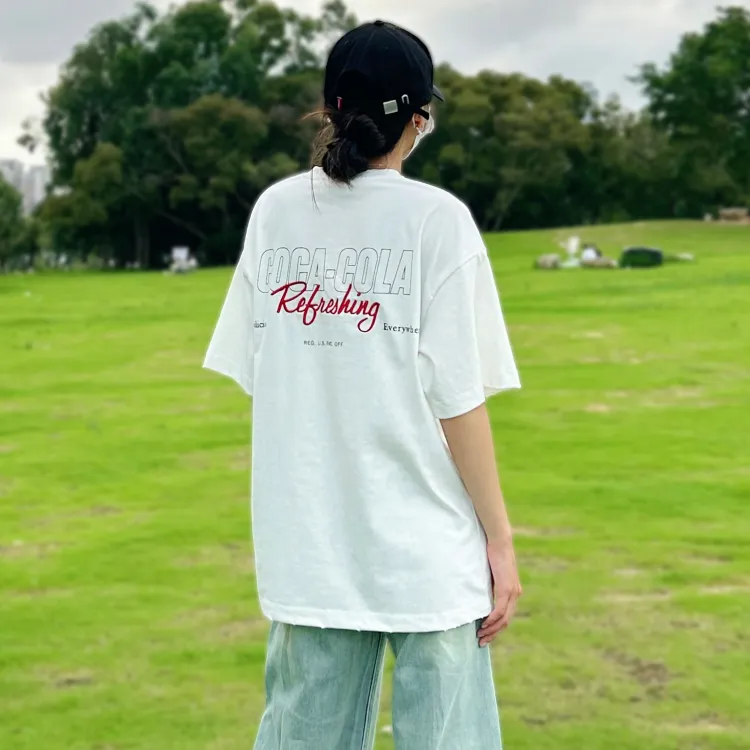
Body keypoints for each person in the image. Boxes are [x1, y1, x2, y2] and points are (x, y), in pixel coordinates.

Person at [204, 19, 522, 750]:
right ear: (418, 118)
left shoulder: (276, 212)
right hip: (429, 554)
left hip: (311, 550)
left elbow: (272, 376)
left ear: (329, 110)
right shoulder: (438, 221)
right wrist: (500, 543)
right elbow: (459, 403)